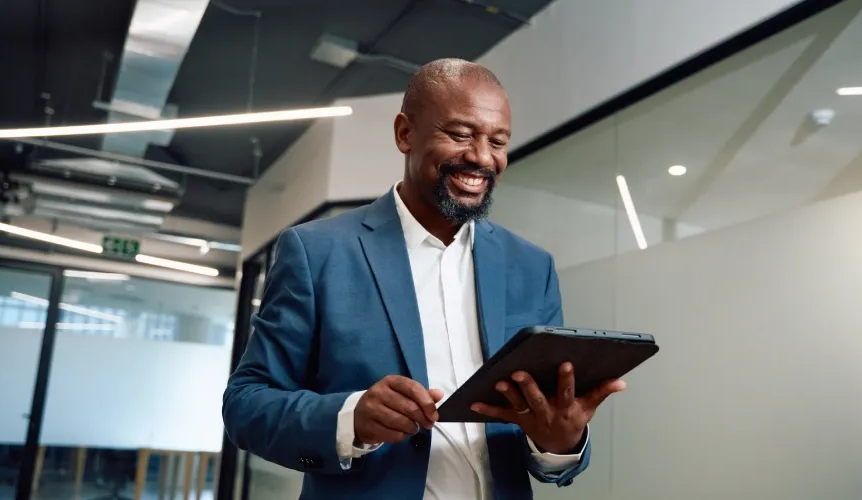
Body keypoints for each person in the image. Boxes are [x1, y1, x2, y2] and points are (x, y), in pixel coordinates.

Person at [222, 58, 626, 500]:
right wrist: (349, 418)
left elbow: (544, 447)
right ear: (405, 133)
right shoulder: (318, 251)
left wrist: (560, 442)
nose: (481, 157)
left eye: (498, 141)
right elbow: (246, 404)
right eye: (460, 134)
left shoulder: (532, 267)